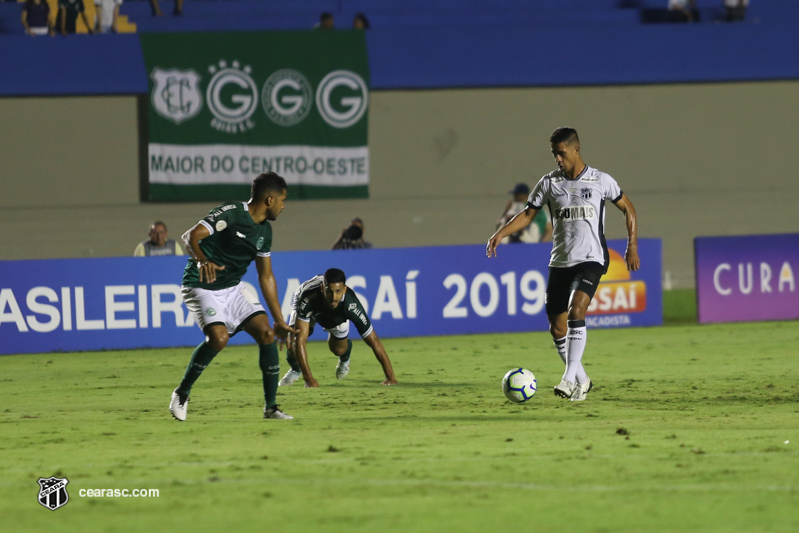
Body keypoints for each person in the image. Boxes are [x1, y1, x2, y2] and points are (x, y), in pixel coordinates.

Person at [486, 127, 639, 402]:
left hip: (591, 259)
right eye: (554, 154)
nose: (557, 158)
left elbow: (628, 208)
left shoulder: (601, 180)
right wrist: (500, 233)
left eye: (561, 153)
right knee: (557, 328)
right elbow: (528, 214)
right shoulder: (549, 183)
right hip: (560, 261)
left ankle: (568, 380)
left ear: (576, 150)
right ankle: (582, 380)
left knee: (576, 310)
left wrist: (632, 245)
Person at [168, 172, 298, 421]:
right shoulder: (230, 213)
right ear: (269, 200)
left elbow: (266, 276)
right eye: (282, 200)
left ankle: (271, 408)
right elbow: (190, 236)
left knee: (267, 334)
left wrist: (279, 319)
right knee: (218, 338)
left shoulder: (265, 232)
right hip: (201, 284)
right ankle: (182, 393)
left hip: (233, 288)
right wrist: (201, 260)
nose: (283, 206)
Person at [278, 268, 398, 388]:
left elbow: (374, 341)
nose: (334, 297)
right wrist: (309, 379)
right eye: (329, 292)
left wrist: (390, 377)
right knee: (293, 340)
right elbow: (301, 341)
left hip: (336, 316)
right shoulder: (308, 297)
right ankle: (295, 370)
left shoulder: (351, 305)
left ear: (345, 289)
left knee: (338, 349)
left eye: (338, 291)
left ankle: (345, 358)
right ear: (322, 289)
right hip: (311, 308)